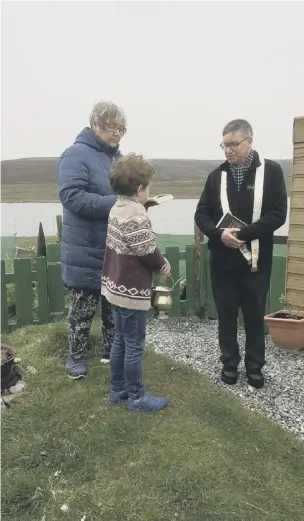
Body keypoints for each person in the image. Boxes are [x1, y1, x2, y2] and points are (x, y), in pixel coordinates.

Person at [195, 119, 287, 388]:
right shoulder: (216, 176)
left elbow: (278, 214)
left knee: (254, 316)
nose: (228, 150)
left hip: (256, 263)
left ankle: (255, 367)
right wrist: (218, 234)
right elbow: (201, 213)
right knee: (225, 315)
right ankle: (229, 364)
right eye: (225, 145)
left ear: (250, 141)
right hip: (223, 263)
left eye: (234, 144)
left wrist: (243, 235)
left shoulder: (271, 172)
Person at [58, 102, 126, 379]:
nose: (118, 134)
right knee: (83, 307)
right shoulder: (75, 155)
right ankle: (75, 358)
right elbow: (71, 196)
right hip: (85, 247)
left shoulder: (117, 158)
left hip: (113, 244)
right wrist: (118, 203)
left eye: (122, 129)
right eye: (113, 128)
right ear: (96, 124)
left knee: (113, 304)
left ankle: (112, 352)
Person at [101, 153, 171, 412]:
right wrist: (164, 265)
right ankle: (137, 398)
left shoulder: (116, 207)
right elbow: (147, 250)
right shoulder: (136, 214)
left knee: (120, 339)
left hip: (114, 288)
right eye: (148, 187)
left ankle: (117, 389)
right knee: (134, 345)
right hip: (131, 291)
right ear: (140, 189)